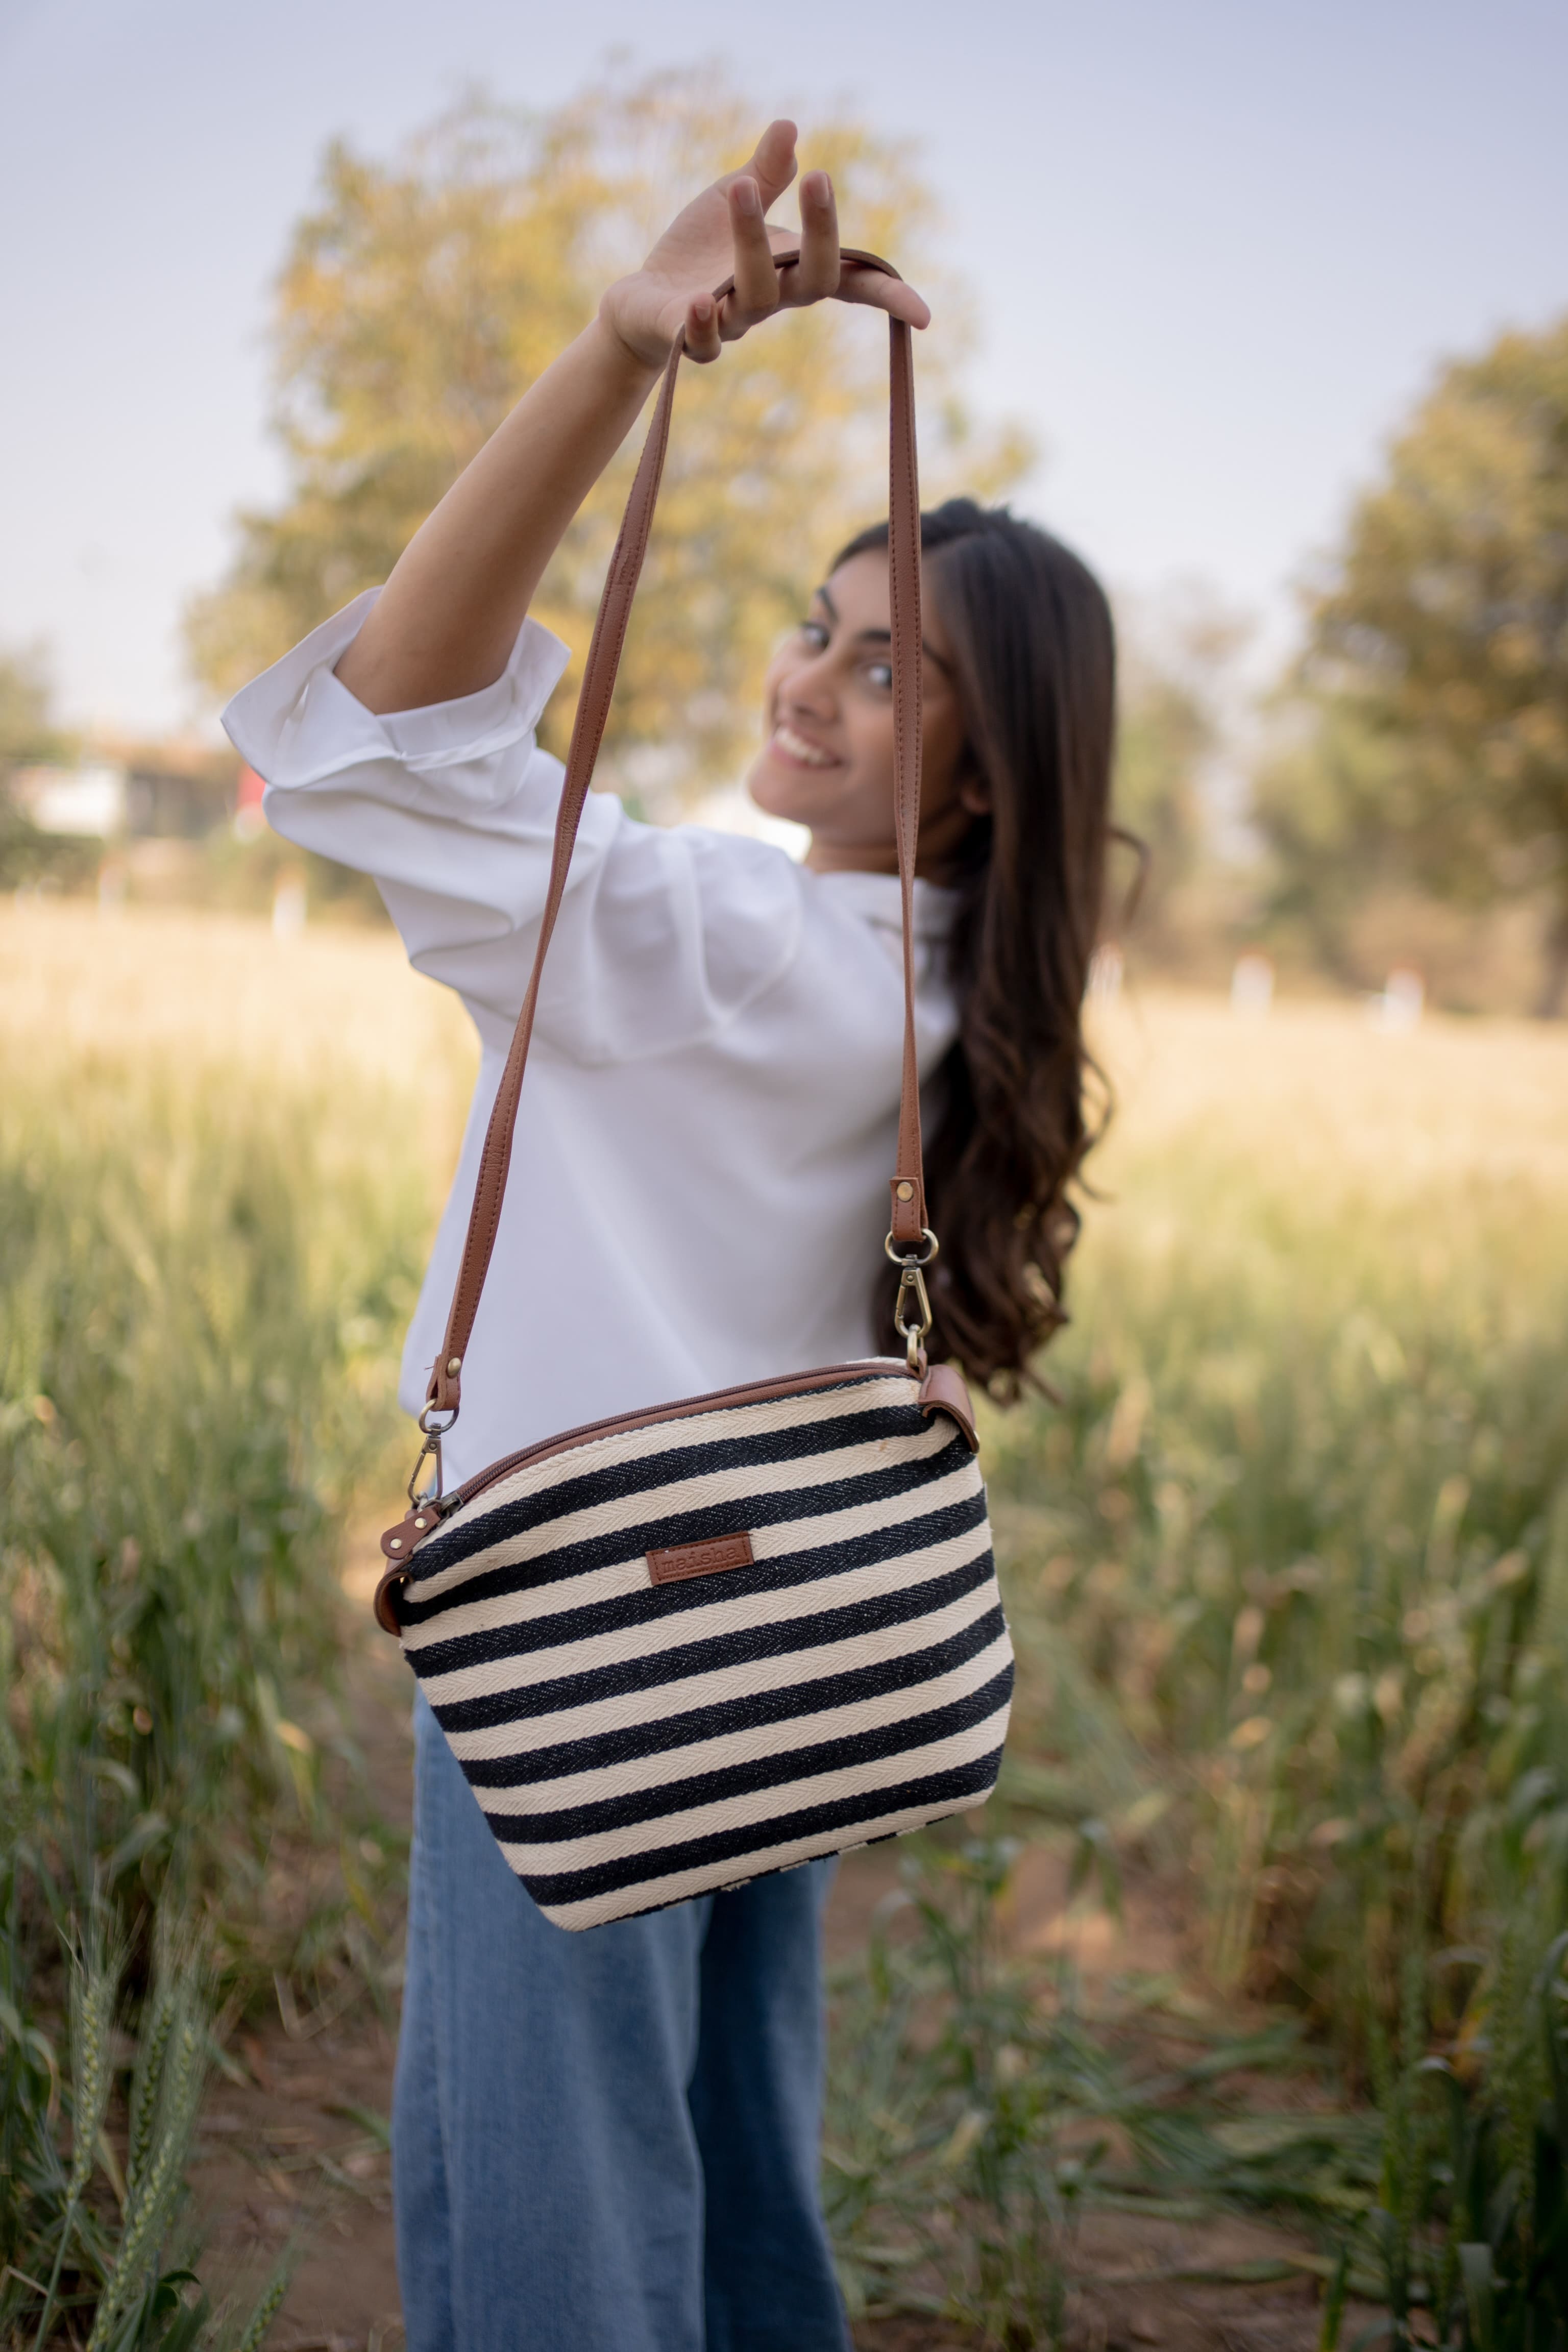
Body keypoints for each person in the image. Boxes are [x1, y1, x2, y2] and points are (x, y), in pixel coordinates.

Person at [224, 117, 1115, 2352]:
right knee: (724, 2164)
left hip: (580, 1636)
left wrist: (625, 352)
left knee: (546, 2196)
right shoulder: (932, 991)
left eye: (889, 671)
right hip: (792, 1627)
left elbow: (383, 729)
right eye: (822, 628)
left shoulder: (708, 946)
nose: (807, 681)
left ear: (984, 771)